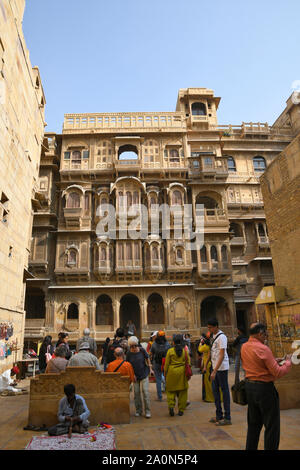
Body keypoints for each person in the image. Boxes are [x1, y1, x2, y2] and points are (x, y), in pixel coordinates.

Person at [241, 322, 292, 450]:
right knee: (271, 426)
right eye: (265, 334)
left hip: (250, 388)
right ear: (260, 334)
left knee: (253, 425)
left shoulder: (245, 346)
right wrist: (288, 363)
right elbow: (277, 372)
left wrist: (275, 360)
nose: (266, 337)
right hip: (264, 389)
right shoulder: (263, 348)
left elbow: (257, 364)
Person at [207, 318, 231, 426]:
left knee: (224, 391)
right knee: (215, 391)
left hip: (221, 368)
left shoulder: (222, 337)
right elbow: (211, 352)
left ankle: (227, 417)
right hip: (214, 368)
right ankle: (219, 415)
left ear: (216, 326)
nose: (209, 329)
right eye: (208, 327)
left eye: (211, 327)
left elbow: (221, 354)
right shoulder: (213, 337)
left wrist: (215, 370)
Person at [126, 335, 153, 418]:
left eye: (135, 346)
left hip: (144, 373)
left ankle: (147, 411)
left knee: (145, 392)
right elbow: (128, 365)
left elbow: (147, 358)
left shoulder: (141, 350)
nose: (134, 348)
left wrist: (150, 368)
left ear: (137, 345)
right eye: (132, 346)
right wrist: (132, 374)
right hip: (135, 376)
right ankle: (138, 410)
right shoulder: (129, 353)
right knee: (136, 393)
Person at [164, 334, 190, 416]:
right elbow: (188, 363)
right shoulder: (184, 351)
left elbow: (166, 364)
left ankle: (171, 406)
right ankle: (181, 410)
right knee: (182, 392)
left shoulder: (170, 351)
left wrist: (165, 374)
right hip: (182, 373)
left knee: (170, 391)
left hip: (171, 373)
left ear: (173, 342)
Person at [150, 330, 170, 401]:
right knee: (167, 378)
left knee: (158, 380)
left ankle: (160, 397)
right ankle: (169, 395)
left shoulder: (154, 344)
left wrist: (151, 363)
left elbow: (151, 353)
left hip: (157, 363)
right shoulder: (167, 344)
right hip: (165, 363)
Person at [198, 333, 215, 403]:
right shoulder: (212, 346)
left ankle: (209, 397)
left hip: (206, 365)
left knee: (207, 382)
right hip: (212, 364)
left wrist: (200, 344)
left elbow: (199, 350)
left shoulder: (205, 346)